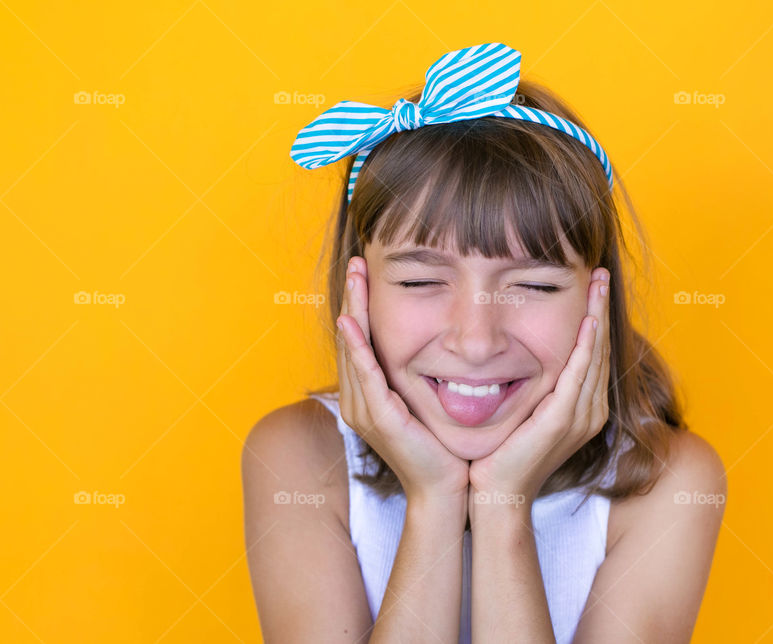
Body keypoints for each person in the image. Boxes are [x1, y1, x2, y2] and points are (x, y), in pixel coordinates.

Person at [242, 42, 726, 643]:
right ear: (356, 287)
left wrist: (502, 506)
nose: (476, 341)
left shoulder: (670, 482)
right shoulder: (299, 457)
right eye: (420, 280)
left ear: (596, 300)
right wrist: (435, 501)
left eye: (532, 284)